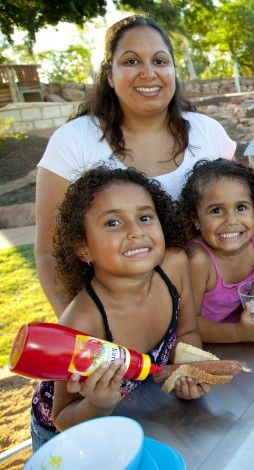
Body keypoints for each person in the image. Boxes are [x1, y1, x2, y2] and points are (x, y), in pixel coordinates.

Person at [34, 15, 237, 318]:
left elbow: (238, 214)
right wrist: (85, 337)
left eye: (159, 61)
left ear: (173, 71)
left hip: (212, 318)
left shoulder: (208, 133)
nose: (148, 73)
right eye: (131, 62)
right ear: (109, 75)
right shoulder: (73, 141)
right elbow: (49, 252)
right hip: (121, 330)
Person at [30, 167, 209, 451]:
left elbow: (187, 331)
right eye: (113, 222)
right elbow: (62, 418)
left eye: (145, 217)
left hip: (141, 417)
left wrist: (188, 367)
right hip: (70, 439)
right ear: (84, 249)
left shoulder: (174, 265)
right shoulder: (82, 322)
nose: (136, 231)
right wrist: (97, 403)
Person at [179, 158, 254, 343]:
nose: (231, 220)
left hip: (246, 342)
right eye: (216, 210)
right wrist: (240, 333)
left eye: (241, 207)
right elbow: (188, 326)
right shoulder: (199, 260)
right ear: (195, 218)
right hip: (213, 347)